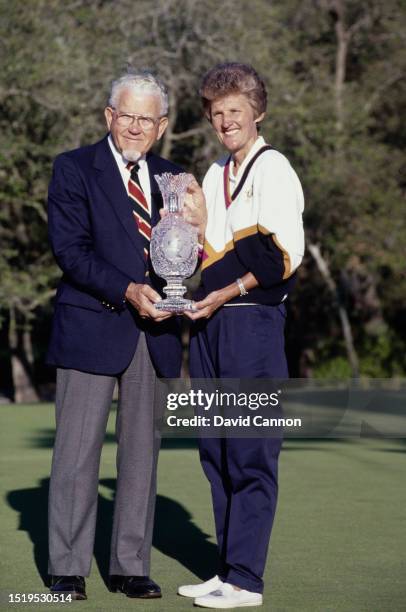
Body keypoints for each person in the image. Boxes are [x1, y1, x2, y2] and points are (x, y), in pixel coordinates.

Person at [46, 71, 205, 601]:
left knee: (141, 457)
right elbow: (70, 250)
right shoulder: (72, 169)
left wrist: (187, 268)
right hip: (92, 323)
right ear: (108, 116)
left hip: (155, 331)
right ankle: (67, 570)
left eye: (147, 119)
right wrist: (129, 289)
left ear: (161, 126)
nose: (135, 126)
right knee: (75, 456)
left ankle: (130, 566)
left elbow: (186, 252)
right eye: (126, 115)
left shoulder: (177, 181)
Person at [178, 63, 305, 609]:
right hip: (210, 323)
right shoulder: (213, 173)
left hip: (252, 322)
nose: (226, 120)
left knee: (250, 452)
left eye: (236, 109)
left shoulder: (274, 168)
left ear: (258, 111)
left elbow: (280, 256)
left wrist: (223, 293)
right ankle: (227, 568)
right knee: (216, 452)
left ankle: (247, 581)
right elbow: (207, 252)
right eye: (217, 112)